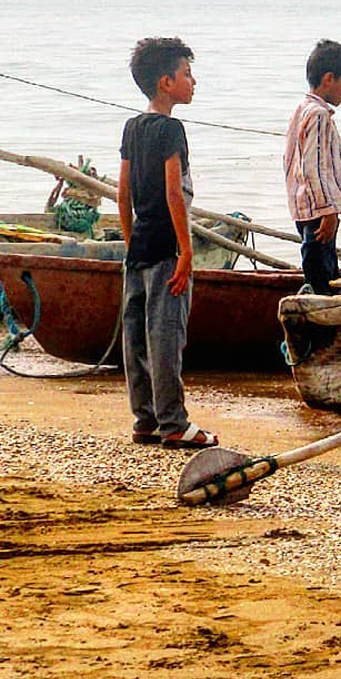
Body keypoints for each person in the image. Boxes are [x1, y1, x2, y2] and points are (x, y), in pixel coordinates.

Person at [119, 37, 218, 448]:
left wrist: (129, 244)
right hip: (166, 249)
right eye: (187, 75)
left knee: (135, 337)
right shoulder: (170, 129)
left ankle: (145, 418)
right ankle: (173, 422)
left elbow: (123, 194)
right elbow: (174, 192)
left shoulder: (133, 127)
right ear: (166, 82)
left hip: (138, 247)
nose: (193, 82)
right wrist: (186, 251)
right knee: (166, 335)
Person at [284, 39, 341, 294]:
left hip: (304, 206)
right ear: (328, 79)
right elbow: (313, 166)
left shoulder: (301, 110)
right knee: (321, 272)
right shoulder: (319, 115)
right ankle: (320, 314)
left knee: (320, 264)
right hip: (318, 208)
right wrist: (328, 211)